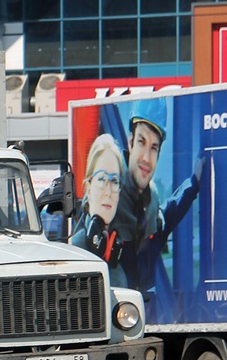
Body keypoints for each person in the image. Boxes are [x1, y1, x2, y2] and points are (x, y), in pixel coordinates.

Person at [111, 103, 205, 295]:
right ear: (130, 142)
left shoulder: (149, 212)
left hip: (143, 316)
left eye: (154, 148)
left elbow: (168, 214)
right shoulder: (108, 199)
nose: (146, 157)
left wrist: (194, 183)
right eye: (141, 142)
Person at [70, 134, 127, 287]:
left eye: (114, 181)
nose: (108, 191)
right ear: (88, 187)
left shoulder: (119, 264)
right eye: (102, 179)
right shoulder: (74, 254)